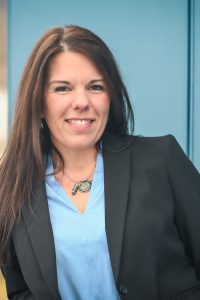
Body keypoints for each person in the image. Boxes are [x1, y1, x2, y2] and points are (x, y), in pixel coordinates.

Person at [0, 25, 200, 300]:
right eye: (62, 88)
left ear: (110, 97)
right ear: (37, 102)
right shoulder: (13, 189)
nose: (81, 102)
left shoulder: (161, 160)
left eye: (95, 86)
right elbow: (21, 291)